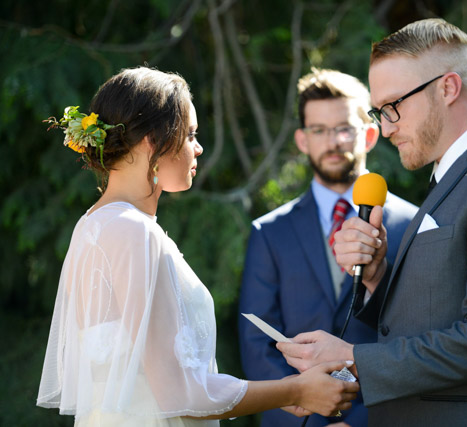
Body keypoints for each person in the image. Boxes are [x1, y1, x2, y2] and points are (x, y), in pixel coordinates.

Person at [277, 18, 467, 427]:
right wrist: (377, 275)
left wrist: (352, 357)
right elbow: (435, 316)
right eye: (379, 112)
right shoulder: (460, 174)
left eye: (394, 106)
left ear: (448, 88)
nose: (384, 128)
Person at [36, 66, 359, 426]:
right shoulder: (133, 231)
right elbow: (181, 394)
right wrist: (296, 390)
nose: (199, 147)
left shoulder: (94, 224)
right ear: (153, 142)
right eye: (190, 134)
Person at [238, 68, 417, 427]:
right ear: (302, 140)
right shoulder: (270, 232)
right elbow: (257, 343)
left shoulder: (413, 224)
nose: (332, 141)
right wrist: (309, 409)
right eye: (318, 130)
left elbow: (418, 335)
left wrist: (361, 421)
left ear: (368, 135)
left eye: (343, 128)